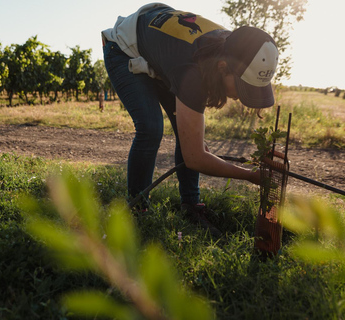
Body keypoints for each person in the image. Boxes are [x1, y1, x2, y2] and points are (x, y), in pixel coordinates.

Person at [102, 3, 279, 236]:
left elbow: (193, 148)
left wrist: (194, 144)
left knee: (185, 135)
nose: (239, 97)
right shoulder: (194, 70)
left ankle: (191, 205)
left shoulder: (234, 48)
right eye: (242, 87)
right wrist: (250, 175)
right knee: (151, 128)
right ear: (222, 67)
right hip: (123, 48)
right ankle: (138, 207)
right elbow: (195, 158)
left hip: (159, 49)